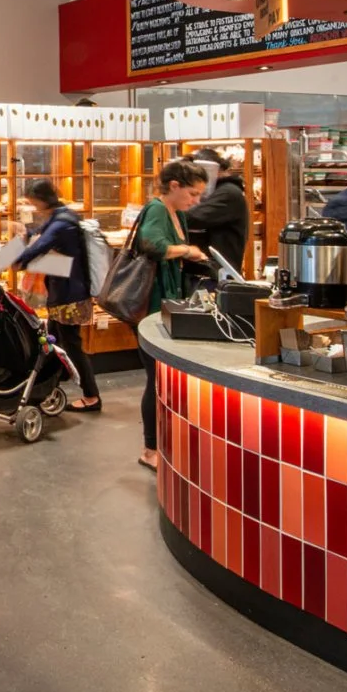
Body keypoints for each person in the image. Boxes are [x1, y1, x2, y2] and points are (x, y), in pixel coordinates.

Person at [129, 159, 212, 470]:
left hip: (166, 303)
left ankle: (161, 443)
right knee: (156, 379)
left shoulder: (176, 214)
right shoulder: (157, 210)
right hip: (151, 306)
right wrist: (188, 251)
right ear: (174, 186)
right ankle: (150, 449)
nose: (196, 201)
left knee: (163, 379)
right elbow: (151, 245)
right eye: (192, 193)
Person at [12, 178, 101, 412]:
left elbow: (42, 244)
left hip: (70, 295)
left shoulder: (62, 222)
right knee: (49, 341)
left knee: (71, 345)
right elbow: (40, 233)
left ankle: (92, 396)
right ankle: (44, 387)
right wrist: (25, 231)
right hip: (64, 290)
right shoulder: (62, 215)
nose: (33, 206)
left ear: (42, 200)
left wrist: (17, 260)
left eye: (33, 202)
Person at [183, 147, 251, 274]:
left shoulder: (228, 192)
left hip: (216, 274)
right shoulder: (219, 191)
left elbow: (194, 218)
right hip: (207, 270)